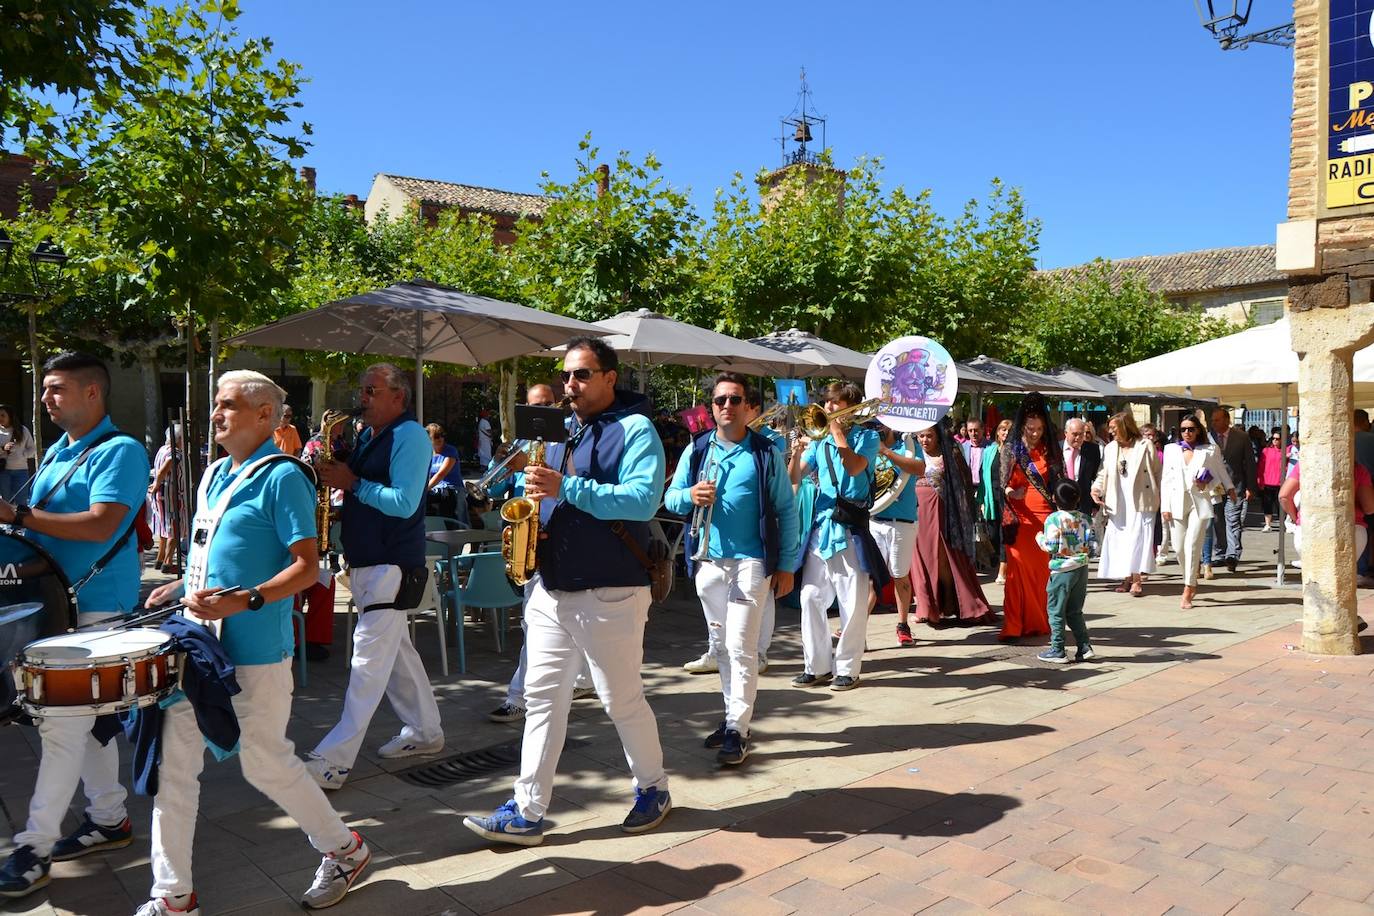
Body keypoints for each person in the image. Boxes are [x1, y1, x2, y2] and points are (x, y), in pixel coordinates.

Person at [136, 371, 369, 916]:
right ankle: (173, 897)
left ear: (266, 415)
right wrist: (181, 585)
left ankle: (344, 849)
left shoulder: (286, 476)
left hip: (255, 653)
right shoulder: (215, 473)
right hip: (196, 645)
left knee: (266, 764)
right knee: (174, 770)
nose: (217, 414)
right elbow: (211, 548)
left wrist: (250, 599)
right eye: (216, 404)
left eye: (229, 405)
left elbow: (308, 568)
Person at [464, 336, 670, 845]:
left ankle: (653, 787)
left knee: (620, 700)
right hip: (551, 587)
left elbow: (643, 502)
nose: (570, 385)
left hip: (610, 590)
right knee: (542, 701)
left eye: (580, 375)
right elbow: (541, 495)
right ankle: (527, 810)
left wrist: (566, 487)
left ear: (609, 378)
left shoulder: (636, 429)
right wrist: (520, 490)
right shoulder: (561, 428)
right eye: (565, 376)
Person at [0, 353, 149, 899]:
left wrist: (15, 517)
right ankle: (109, 818)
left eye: (56, 389)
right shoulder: (60, 451)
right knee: (83, 725)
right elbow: (43, 540)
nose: (45, 399)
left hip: (96, 607)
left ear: (93, 394)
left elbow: (102, 524)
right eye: (44, 389)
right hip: (58, 606)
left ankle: (34, 846)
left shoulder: (121, 451)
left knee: (61, 728)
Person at [306, 363, 445, 790]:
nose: (362, 398)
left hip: (391, 564)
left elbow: (404, 502)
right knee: (397, 654)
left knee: (366, 661)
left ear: (398, 397)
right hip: (370, 562)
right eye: (363, 389)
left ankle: (334, 758)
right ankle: (425, 732)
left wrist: (352, 482)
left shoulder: (409, 436)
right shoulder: (372, 435)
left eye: (371, 391)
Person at [664, 373, 799, 765]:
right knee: (722, 646)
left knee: (742, 648)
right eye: (720, 399)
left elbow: (786, 510)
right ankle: (731, 719)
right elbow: (670, 499)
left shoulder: (765, 451)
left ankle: (737, 730)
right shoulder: (698, 448)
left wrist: (787, 564)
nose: (726, 405)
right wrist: (689, 495)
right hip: (708, 561)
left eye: (734, 399)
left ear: (748, 407)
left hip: (751, 562)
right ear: (712, 407)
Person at [487, 383, 596, 725]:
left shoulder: (570, 441)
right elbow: (492, 488)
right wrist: (499, 460)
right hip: (530, 537)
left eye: (548, 405)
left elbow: (577, 488)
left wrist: (527, 468)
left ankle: (521, 697)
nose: (542, 413)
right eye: (534, 407)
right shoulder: (523, 442)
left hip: (562, 542)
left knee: (548, 623)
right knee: (537, 622)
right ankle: (573, 683)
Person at [788, 382, 885, 691]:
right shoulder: (820, 441)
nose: (828, 408)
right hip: (821, 525)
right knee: (810, 597)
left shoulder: (868, 437)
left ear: (850, 407)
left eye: (834, 403)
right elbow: (795, 477)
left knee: (852, 602)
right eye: (827, 403)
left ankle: (847, 668)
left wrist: (836, 432)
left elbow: (855, 467)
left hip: (850, 526)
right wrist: (795, 455)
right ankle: (816, 666)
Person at [909, 422, 992, 627]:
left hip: (941, 512)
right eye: (921, 436)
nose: (925, 440)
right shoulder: (911, 454)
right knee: (919, 559)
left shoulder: (949, 454)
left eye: (929, 435)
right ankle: (926, 608)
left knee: (942, 558)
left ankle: (957, 603)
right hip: (916, 511)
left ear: (937, 436)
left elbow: (962, 484)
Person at [998, 393, 1060, 642]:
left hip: (1044, 518)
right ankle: (1013, 626)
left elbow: (1058, 482)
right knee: (1015, 574)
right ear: (1023, 426)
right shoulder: (1012, 450)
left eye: (1039, 429)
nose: (1035, 433)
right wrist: (1012, 492)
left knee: (1040, 574)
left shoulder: (1050, 450)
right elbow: (1000, 484)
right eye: (1031, 428)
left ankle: (1038, 623)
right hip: (1019, 518)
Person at [1161, 415, 1234, 609]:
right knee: (1178, 547)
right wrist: (1165, 506)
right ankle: (1191, 576)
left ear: (1198, 430)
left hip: (1200, 501)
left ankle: (1189, 587)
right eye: (1183, 429)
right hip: (1177, 501)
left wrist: (1230, 488)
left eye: (1191, 429)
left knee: (1193, 544)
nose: (1187, 432)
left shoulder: (1210, 449)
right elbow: (1166, 479)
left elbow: (1220, 471)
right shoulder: (1171, 450)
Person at [1092, 411, 1161, 597]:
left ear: (1125, 426)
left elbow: (1157, 472)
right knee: (1121, 538)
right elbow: (1102, 473)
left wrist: (1160, 497)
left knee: (1138, 537)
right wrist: (1096, 489)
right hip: (1118, 499)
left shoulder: (1145, 445)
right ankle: (1126, 577)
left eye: (1114, 428)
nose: (1111, 431)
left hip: (1141, 498)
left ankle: (1137, 579)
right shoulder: (1110, 448)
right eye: (1110, 428)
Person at [1035, 479, 1098, 664]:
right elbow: (1093, 545)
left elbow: (1052, 547)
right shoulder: (1085, 519)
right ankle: (1084, 646)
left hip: (1062, 570)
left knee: (1055, 611)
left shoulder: (1053, 520)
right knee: (1074, 611)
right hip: (1081, 569)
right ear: (1078, 498)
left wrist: (1039, 538)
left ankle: (1058, 649)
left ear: (1054, 498)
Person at [875, 425, 926, 646]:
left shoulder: (908, 443)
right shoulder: (867, 442)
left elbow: (919, 468)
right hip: (875, 519)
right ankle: (855, 627)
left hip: (902, 522)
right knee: (868, 579)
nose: (877, 426)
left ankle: (903, 624)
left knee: (900, 576)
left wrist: (886, 451)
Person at [1208, 407, 1258, 573]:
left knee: (1233, 521)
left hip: (1235, 486)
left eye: (1217, 420)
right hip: (1215, 488)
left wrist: (1251, 487)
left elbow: (1250, 464)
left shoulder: (1241, 437)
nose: (1213, 423)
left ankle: (1232, 555)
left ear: (1226, 419)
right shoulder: (1208, 437)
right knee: (1217, 521)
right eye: (1212, 420)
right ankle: (1220, 553)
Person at [981, 419, 1012, 584]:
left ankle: (1003, 570)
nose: (1005, 433)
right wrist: (981, 499)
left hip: (1008, 498)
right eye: (1002, 430)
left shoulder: (1015, 451)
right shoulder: (989, 451)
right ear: (997, 432)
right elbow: (983, 474)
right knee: (992, 534)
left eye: (1008, 430)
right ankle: (1004, 561)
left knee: (1004, 533)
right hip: (991, 498)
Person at [424, 423, 468, 526]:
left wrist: (425, 489)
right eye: (436, 436)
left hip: (453, 490)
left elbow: (441, 474)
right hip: (436, 491)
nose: (440, 439)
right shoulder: (428, 453)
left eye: (442, 435)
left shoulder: (450, 451)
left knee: (456, 524)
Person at [0, 403, 36, 501]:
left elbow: (32, 449)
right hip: (3, 471)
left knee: (22, 501)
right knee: (6, 501)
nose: (0, 418)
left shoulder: (22, 430)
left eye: (3, 415)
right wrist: (3, 448)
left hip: (21, 471)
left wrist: (23, 454)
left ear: (10, 416)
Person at [1257, 431, 1286, 533]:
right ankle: (1268, 524)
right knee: (1267, 504)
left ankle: (1283, 524)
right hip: (1267, 481)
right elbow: (1261, 466)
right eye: (1273, 438)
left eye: (1277, 439)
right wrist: (1260, 480)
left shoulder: (1285, 451)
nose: (1275, 440)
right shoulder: (1266, 451)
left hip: (1280, 482)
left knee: (1280, 505)